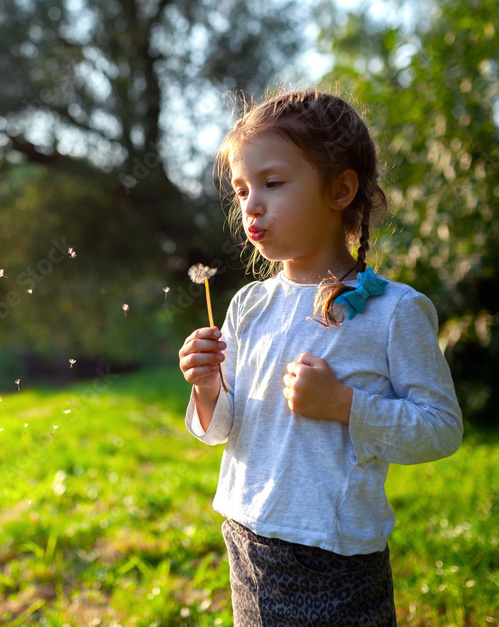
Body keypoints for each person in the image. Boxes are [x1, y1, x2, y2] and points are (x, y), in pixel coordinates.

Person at [178, 88, 463, 626]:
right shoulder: (248, 304)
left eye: (273, 183)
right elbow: (221, 430)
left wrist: (344, 404)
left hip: (334, 556)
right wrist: (207, 387)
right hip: (246, 535)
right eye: (241, 190)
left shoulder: (392, 311)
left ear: (340, 190)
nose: (251, 206)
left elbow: (441, 428)